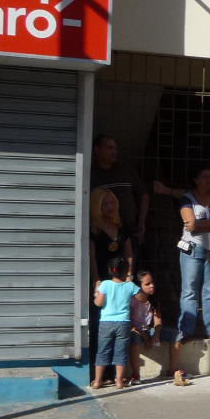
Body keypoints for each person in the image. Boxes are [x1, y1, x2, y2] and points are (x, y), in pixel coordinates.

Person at [176, 165, 210, 344]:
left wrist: (201, 224)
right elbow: (190, 223)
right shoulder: (186, 198)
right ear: (196, 180)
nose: (209, 180)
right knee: (189, 290)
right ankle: (186, 330)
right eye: (204, 177)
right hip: (193, 247)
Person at [91, 135, 150, 253]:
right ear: (97, 150)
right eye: (109, 148)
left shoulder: (125, 170)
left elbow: (143, 195)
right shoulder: (90, 173)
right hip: (102, 235)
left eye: (115, 149)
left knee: (130, 265)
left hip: (129, 231)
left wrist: (141, 222)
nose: (114, 152)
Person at [92, 256, 138, 390]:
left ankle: (98, 381)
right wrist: (131, 281)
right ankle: (119, 381)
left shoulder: (105, 284)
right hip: (123, 322)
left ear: (110, 270)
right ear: (126, 271)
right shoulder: (130, 286)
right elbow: (141, 296)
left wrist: (96, 293)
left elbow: (98, 303)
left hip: (106, 322)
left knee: (103, 351)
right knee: (121, 352)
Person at [89, 188, 133, 280]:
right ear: (96, 206)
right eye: (105, 204)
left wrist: (129, 274)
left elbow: (129, 253)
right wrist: (96, 279)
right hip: (102, 277)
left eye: (112, 202)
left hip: (122, 276)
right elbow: (91, 257)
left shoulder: (121, 224)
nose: (110, 207)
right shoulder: (93, 229)